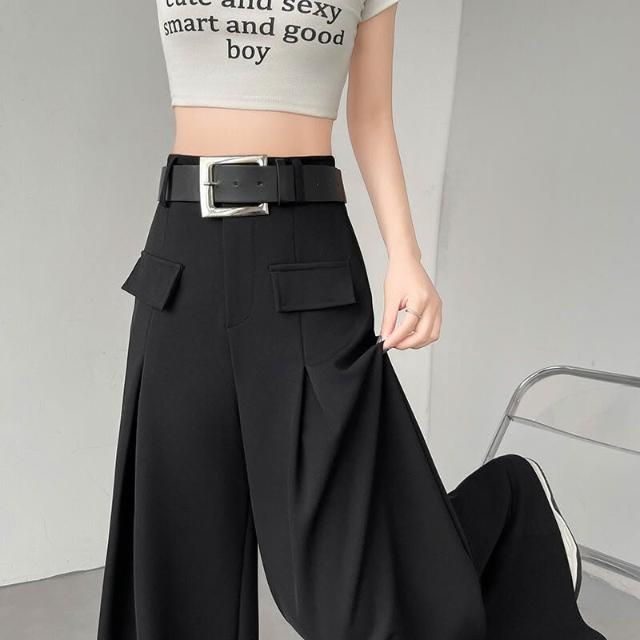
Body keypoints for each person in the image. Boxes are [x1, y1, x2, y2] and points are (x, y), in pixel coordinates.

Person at [97, 1, 606, 638]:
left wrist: (406, 258)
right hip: (182, 257)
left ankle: (507, 511)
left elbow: (370, 116)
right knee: (176, 558)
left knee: (346, 591)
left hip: (305, 251)